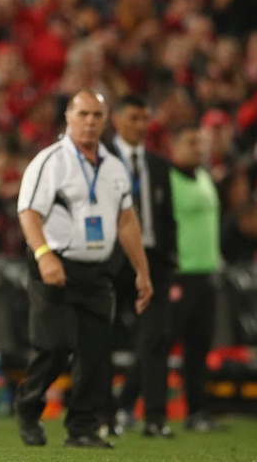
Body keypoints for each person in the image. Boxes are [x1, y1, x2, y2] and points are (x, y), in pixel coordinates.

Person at [14, 90, 152, 449]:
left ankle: (82, 428)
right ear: (68, 117)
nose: (90, 121)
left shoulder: (114, 166)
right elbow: (28, 212)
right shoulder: (51, 161)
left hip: (96, 270)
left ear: (105, 121)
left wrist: (142, 271)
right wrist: (44, 254)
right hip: (54, 263)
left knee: (96, 352)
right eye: (83, 114)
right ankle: (28, 406)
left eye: (96, 115)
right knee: (55, 346)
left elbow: (126, 220)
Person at [108, 95, 177, 438]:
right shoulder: (100, 159)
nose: (141, 125)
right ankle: (103, 415)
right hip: (111, 259)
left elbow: (167, 218)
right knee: (100, 337)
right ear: (117, 120)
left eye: (144, 118)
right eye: (134, 117)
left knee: (156, 338)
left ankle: (154, 418)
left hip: (153, 261)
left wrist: (170, 259)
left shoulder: (159, 165)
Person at [167, 124, 222, 432]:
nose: (198, 148)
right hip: (180, 274)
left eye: (201, 143)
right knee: (160, 343)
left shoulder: (203, 177)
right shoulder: (168, 179)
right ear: (174, 146)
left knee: (199, 348)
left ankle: (197, 412)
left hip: (206, 272)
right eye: (190, 141)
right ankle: (131, 406)